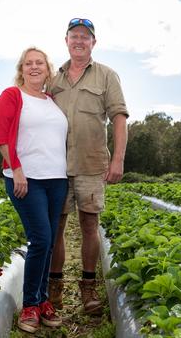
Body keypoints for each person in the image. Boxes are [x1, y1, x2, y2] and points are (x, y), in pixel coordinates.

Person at [48, 18, 129, 315]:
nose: (79, 41)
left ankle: (88, 288)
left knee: (89, 224)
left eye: (85, 36)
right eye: (74, 36)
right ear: (66, 41)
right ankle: (54, 290)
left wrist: (118, 158)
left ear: (93, 42)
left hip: (92, 163)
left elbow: (119, 117)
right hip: (55, 165)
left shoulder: (107, 75)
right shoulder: (52, 79)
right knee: (55, 226)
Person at [0, 47, 68, 333]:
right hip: (26, 179)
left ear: (48, 70)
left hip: (56, 180)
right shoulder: (12, 95)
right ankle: (30, 306)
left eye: (40, 63)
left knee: (49, 242)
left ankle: (44, 301)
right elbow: (2, 136)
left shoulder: (51, 101)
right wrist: (17, 170)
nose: (34, 67)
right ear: (21, 69)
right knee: (40, 239)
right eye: (28, 63)